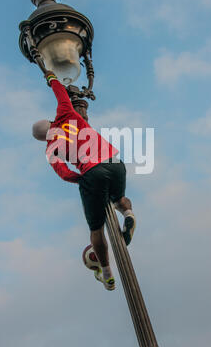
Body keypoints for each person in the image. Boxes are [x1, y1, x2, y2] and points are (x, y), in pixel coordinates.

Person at [32, 71, 136, 291]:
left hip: (91, 173)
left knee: (96, 229)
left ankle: (106, 273)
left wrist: (82, 179)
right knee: (119, 199)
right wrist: (51, 77)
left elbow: (63, 173)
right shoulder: (65, 113)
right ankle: (128, 214)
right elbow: (60, 93)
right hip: (115, 162)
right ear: (50, 121)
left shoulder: (50, 148)